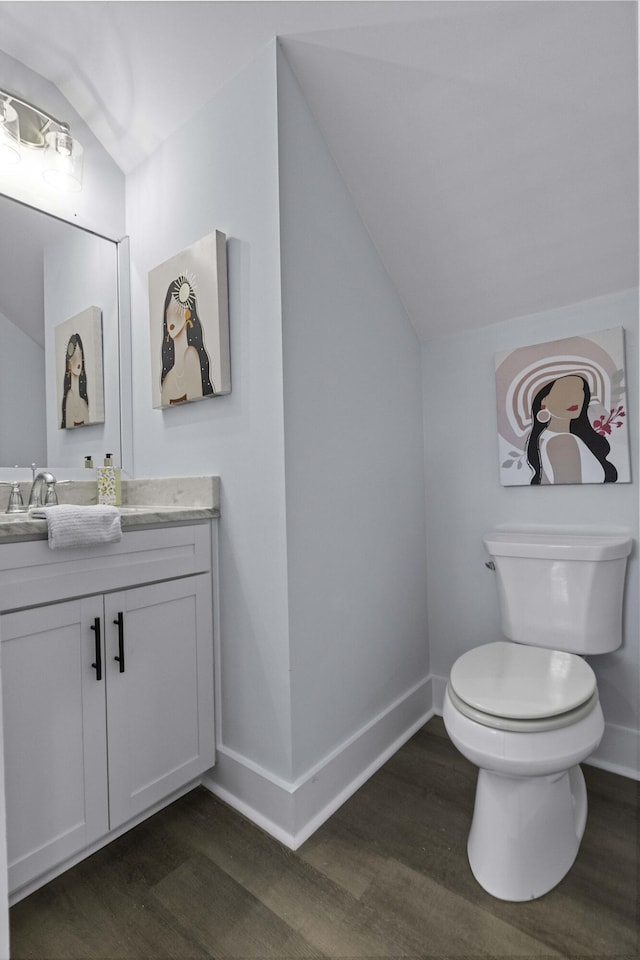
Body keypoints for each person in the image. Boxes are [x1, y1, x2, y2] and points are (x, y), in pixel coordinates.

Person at [526, 375, 617, 484]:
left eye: (578, 390)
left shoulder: (545, 436)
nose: (574, 398)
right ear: (543, 400)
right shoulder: (562, 439)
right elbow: (571, 490)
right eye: (563, 391)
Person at [160, 275, 214, 405]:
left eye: (176, 309)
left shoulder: (191, 356)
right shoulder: (167, 380)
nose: (171, 316)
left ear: (188, 313)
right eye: (169, 311)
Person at [61, 333, 89, 428]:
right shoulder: (69, 399)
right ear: (69, 363)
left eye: (80, 357)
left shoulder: (83, 401)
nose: (78, 363)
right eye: (74, 358)